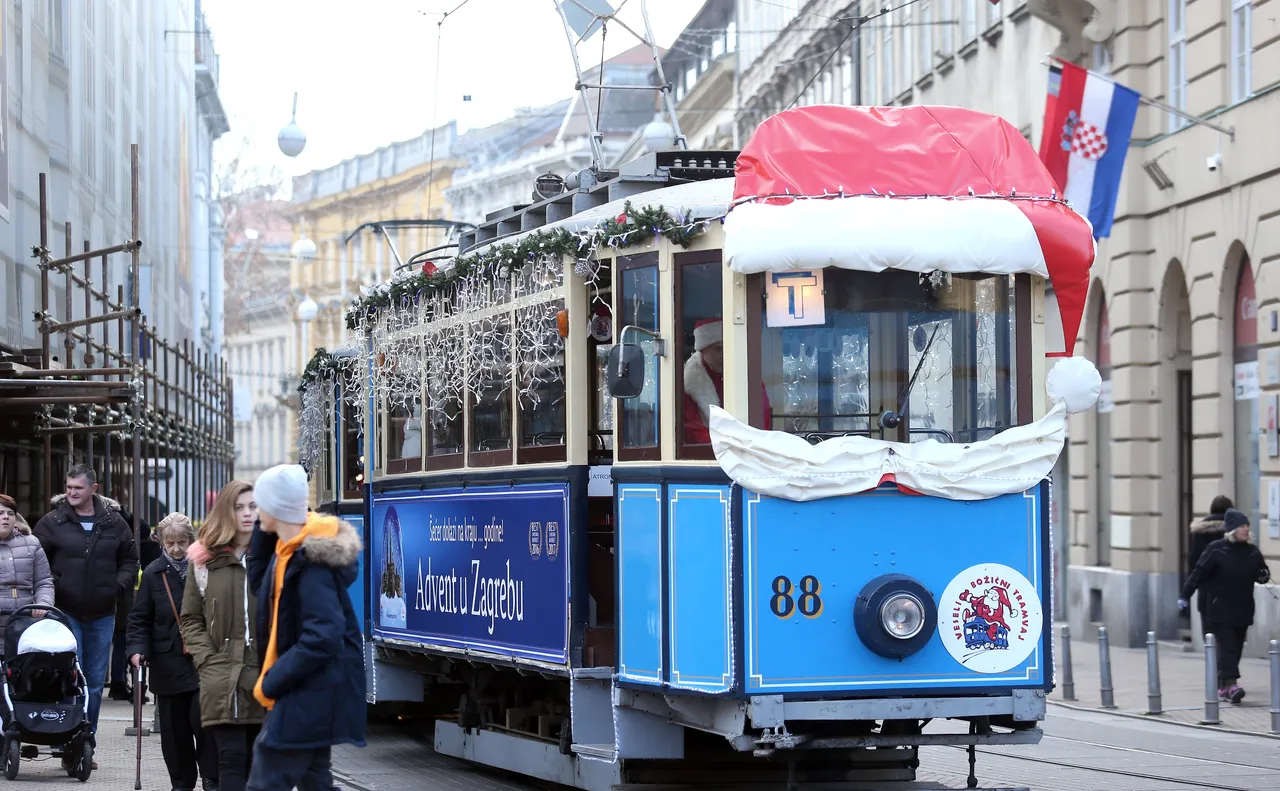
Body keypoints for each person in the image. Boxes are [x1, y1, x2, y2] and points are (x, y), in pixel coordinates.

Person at [243, 465, 365, 791]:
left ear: (276, 506)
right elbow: (260, 586)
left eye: (259, 504)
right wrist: (263, 529)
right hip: (309, 689)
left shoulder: (310, 561)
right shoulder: (287, 550)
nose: (255, 511)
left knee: (267, 776)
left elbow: (324, 634)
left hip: (306, 691)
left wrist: (274, 679)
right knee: (315, 781)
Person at [33, 463, 139, 757]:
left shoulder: (115, 523)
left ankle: (86, 739)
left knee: (93, 682)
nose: (71, 493)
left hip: (103, 613)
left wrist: (116, 587)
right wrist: (54, 586)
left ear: (94, 489)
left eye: (78, 488)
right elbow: (36, 560)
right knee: (69, 676)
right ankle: (65, 733)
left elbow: (131, 560)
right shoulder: (52, 522)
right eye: (68, 488)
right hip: (65, 613)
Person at [180, 482, 264, 791]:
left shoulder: (273, 557)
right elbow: (190, 618)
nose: (246, 514)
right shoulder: (204, 561)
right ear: (225, 512)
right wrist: (207, 660)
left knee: (258, 761)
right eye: (238, 507)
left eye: (252, 507)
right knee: (229, 757)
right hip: (220, 675)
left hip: (264, 674)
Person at [128, 513, 219, 791]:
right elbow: (139, 618)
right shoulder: (154, 573)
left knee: (206, 725)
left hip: (203, 659)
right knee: (174, 730)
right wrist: (137, 649)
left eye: (182, 542)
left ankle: (212, 779)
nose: (177, 549)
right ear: (161, 542)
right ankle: (181, 783)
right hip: (167, 661)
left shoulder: (207, 567)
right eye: (171, 543)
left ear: (191, 540)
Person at [1178, 508, 1272, 703]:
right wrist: (1185, 596)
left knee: (1236, 648)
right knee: (1228, 647)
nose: (1246, 529)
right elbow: (1198, 573)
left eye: (1247, 526)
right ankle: (1232, 685)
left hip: (1243, 608)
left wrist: (1263, 575)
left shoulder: (1252, 551)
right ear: (1231, 529)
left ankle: (1223, 686)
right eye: (1241, 526)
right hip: (1220, 608)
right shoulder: (1216, 549)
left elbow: (1262, 573)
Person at [682, 319, 772, 444]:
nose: (724, 355)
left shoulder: (749, 378)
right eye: (718, 349)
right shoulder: (688, 386)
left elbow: (763, 418)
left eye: (728, 348)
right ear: (703, 350)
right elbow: (694, 432)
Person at [112, 503, 160, 702]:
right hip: (137, 605)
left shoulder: (121, 547)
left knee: (122, 644)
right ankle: (138, 688)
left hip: (124, 603)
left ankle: (118, 682)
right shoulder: (152, 552)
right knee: (136, 646)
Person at [0, 494, 54, 631]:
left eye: (10, 513)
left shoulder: (32, 543)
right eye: (0, 513)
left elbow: (43, 581)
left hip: (25, 622)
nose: (6, 517)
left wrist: (43, 603)